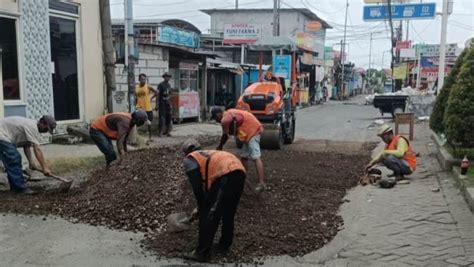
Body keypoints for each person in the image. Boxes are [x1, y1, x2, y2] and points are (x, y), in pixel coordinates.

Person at [181, 139, 246, 262]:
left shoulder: (190, 159)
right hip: (239, 171)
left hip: (226, 175)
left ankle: (202, 253)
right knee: (228, 212)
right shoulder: (209, 156)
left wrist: (202, 208)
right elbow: (208, 189)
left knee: (209, 214)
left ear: (186, 152)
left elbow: (197, 188)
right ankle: (224, 245)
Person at [210, 107, 267, 192]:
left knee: (255, 157)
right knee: (243, 157)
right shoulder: (229, 113)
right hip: (248, 133)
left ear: (218, 115)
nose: (216, 121)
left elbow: (225, 136)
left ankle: (262, 184)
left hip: (253, 131)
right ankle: (243, 179)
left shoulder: (224, 120)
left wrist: (220, 146)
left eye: (215, 118)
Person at [0, 115, 57, 194]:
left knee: (12, 158)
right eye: (46, 128)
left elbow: (26, 145)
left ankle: (15, 187)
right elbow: (37, 149)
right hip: (2, 135)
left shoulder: (32, 127)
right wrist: (45, 168)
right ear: (42, 123)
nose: (46, 131)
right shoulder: (32, 127)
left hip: (4, 135)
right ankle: (19, 188)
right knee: (14, 158)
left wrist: (31, 162)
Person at [135, 73, 157, 141]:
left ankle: (150, 137)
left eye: (144, 79)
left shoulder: (148, 87)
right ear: (139, 79)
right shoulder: (136, 87)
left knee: (149, 123)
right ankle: (136, 136)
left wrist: (151, 98)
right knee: (137, 122)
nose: (143, 81)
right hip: (139, 108)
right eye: (142, 79)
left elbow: (157, 92)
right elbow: (135, 97)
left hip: (148, 108)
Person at [156, 72, 173, 136]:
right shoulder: (160, 85)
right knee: (162, 118)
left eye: (169, 77)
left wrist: (170, 103)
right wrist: (157, 104)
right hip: (162, 103)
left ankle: (167, 131)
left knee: (169, 117)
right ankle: (160, 132)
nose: (168, 78)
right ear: (164, 77)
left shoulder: (169, 85)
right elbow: (157, 95)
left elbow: (170, 94)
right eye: (166, 76)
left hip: (168, 103)